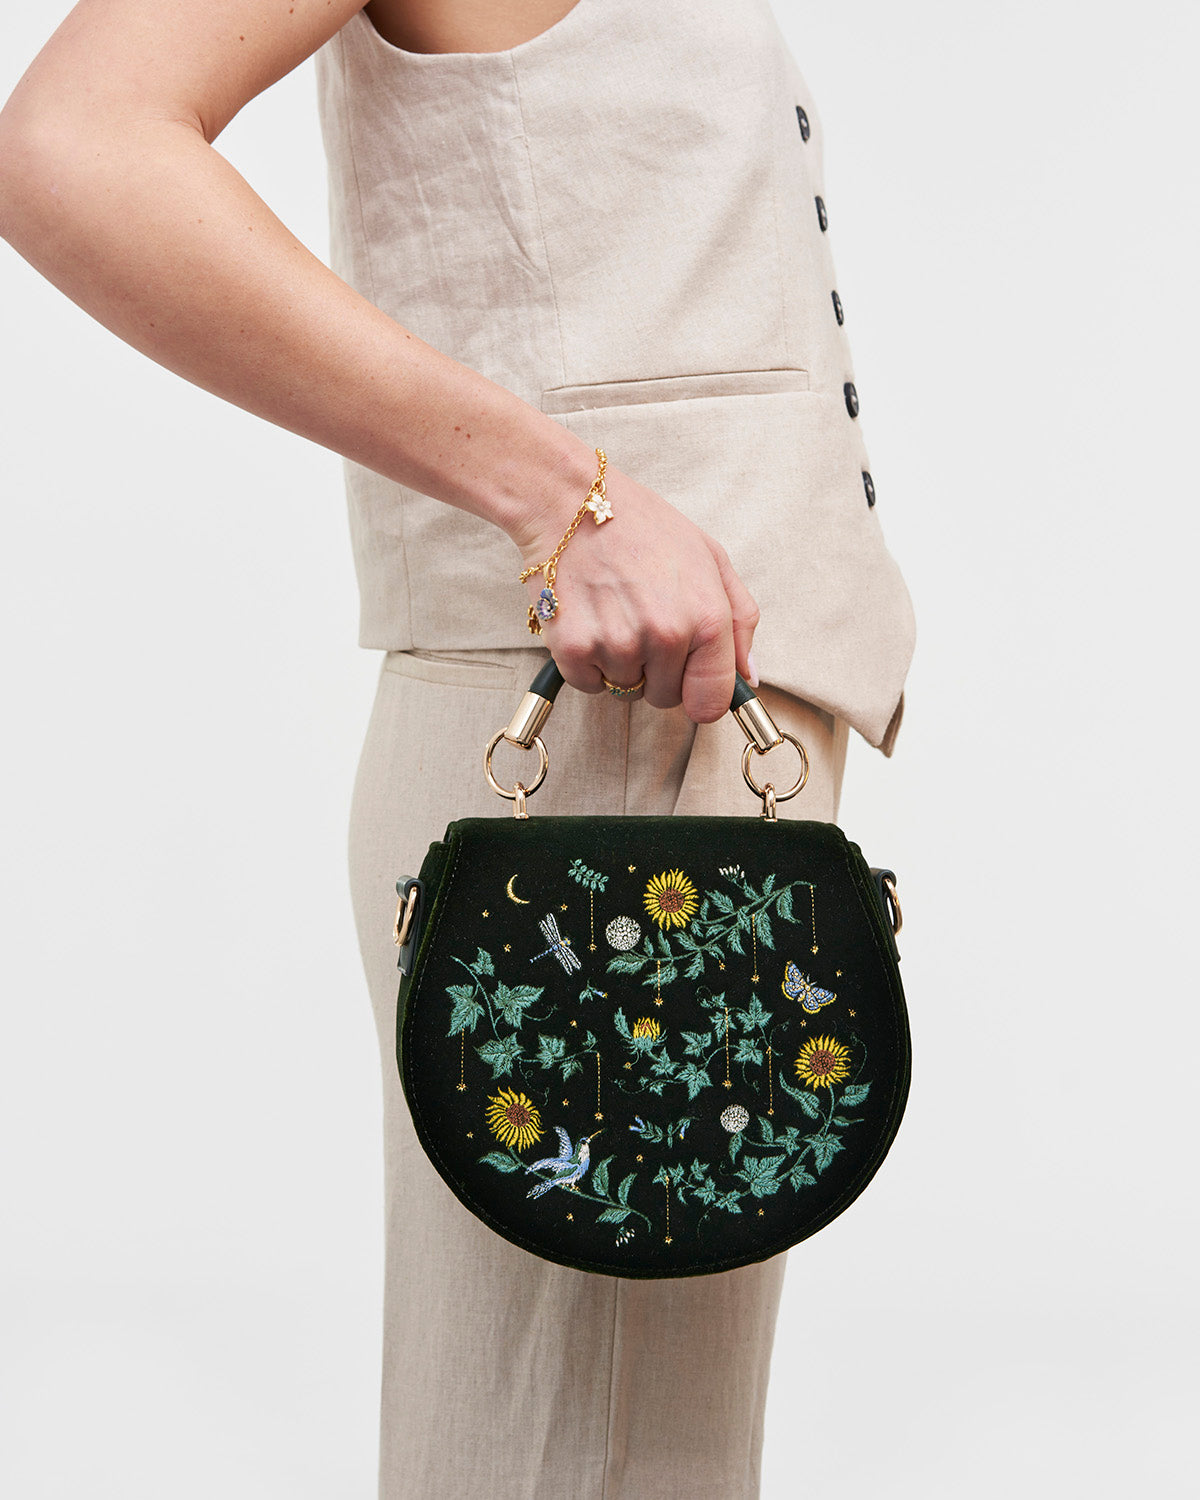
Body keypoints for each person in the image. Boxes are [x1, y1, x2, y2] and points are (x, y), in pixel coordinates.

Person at [0, 1, 915, 1494]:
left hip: (655, 750)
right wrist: (569, 498)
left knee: (611, 1449)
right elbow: (72, 147)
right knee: (578, 1458)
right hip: (606, 761)